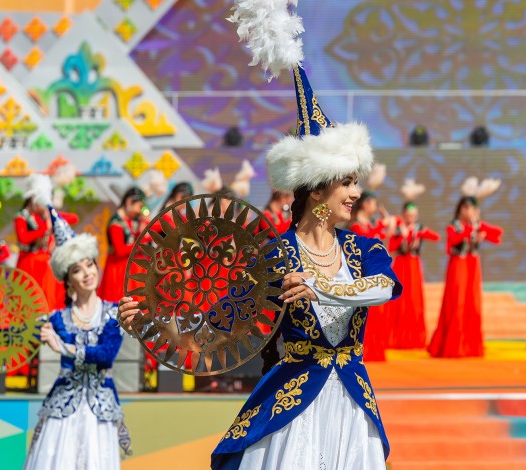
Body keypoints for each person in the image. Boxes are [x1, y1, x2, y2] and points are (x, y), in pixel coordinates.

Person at [121, 26, 402, 467]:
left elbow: (384, 287)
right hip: (293, 407)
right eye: (347, 182)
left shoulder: (364, 250)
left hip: (352, 406)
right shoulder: (274, 256)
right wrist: (149, 325)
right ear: (317, 188)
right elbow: (216, 327)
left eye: (355, 182)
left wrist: (320, 287)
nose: (355, 193)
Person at [23, 201, 132, 468]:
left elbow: (106, 355)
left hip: (99, 413)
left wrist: (64, 348)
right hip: (62, 412)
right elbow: (15, 335)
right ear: (67, 279)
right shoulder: (57, 319)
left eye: (89, 265)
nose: (87, 274)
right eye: (77, 270)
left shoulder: (114, 313)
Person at [428, 178, 503, 358]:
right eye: (466, 208)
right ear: (461, 209)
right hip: (458, 265)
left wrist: (480, 229)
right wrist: (471, 230)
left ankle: (470, 345)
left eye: (473, 209)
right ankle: (453, 345)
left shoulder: (476, 225)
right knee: (457, 302)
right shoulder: (453, 226)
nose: (469, 212)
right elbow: (453, 242)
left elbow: (498, 235)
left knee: (472, 303)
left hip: (473, 266)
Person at [386, 180, 440, 350]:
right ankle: (397, 338)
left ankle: (414, 338)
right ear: (403, 214)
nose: (411, 218)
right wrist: (401, 235)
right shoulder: (398, 229)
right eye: (408, 215)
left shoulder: (418, 228)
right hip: (401, 265)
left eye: (414, 215)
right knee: (399, 301)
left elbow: (436, 237)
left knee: (414, 300)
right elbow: (391, 248)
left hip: (414, 266)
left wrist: (420, 232)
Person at [15, 175, 79, 311]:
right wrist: (45, 227)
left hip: (45, 264)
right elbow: (23, 238)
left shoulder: (44, 215)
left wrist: (52, 214)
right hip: (28, 263)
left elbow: (74, 218)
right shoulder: (22, 216)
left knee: (49, 298)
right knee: (28, 299)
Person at [348, 190, 395, 361]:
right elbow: (369, 241)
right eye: (373, 203)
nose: (374, 207)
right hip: (362, 274)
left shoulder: (368, 224)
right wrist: (384, 224)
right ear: (365, 204)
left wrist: (387, 222)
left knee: (377, 311)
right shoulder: (356, 225)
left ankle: (374, 348)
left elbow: (384, 235)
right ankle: (364, 348)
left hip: (373, 271)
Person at [98, 187, 148, 302]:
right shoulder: (116, 223)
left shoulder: (131, 220)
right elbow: (120, 251)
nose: (140, 211)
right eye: (139, 206)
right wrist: (141, 243)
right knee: (118, 301)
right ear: (129, 202)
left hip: (128, 268)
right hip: (117, 268)